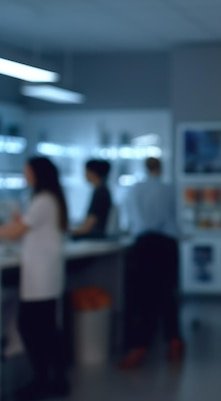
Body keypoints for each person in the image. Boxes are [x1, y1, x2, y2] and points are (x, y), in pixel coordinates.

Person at [0, 157, 70, 400]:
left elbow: (15, 233)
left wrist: (9, 228)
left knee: (32, 327)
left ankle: (43, 379)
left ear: (37, 173)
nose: (24, 175)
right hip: (43, 275)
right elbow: (25, 229)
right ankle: (54, 378)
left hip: (41, 276)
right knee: (45, 328)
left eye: (27, 171)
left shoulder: (42, 201)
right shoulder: (47, 200)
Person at [117, 157, 183, 369]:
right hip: (166, 245)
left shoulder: (135, 190)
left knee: (144, 296)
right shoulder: (169, 189)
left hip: (145, 245)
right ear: (160, 168)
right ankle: (173, 340)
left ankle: (141, 345)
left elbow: (130, 219)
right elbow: (175, 217)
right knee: (168, 293)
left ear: (145, 168)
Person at [71, 159, 112, 239]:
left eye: (86, 171)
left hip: (95, 237)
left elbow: (89, 225)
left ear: (93, 172)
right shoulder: (101, 190)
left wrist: (72, 231)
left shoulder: (101, 192)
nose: (84, 174)